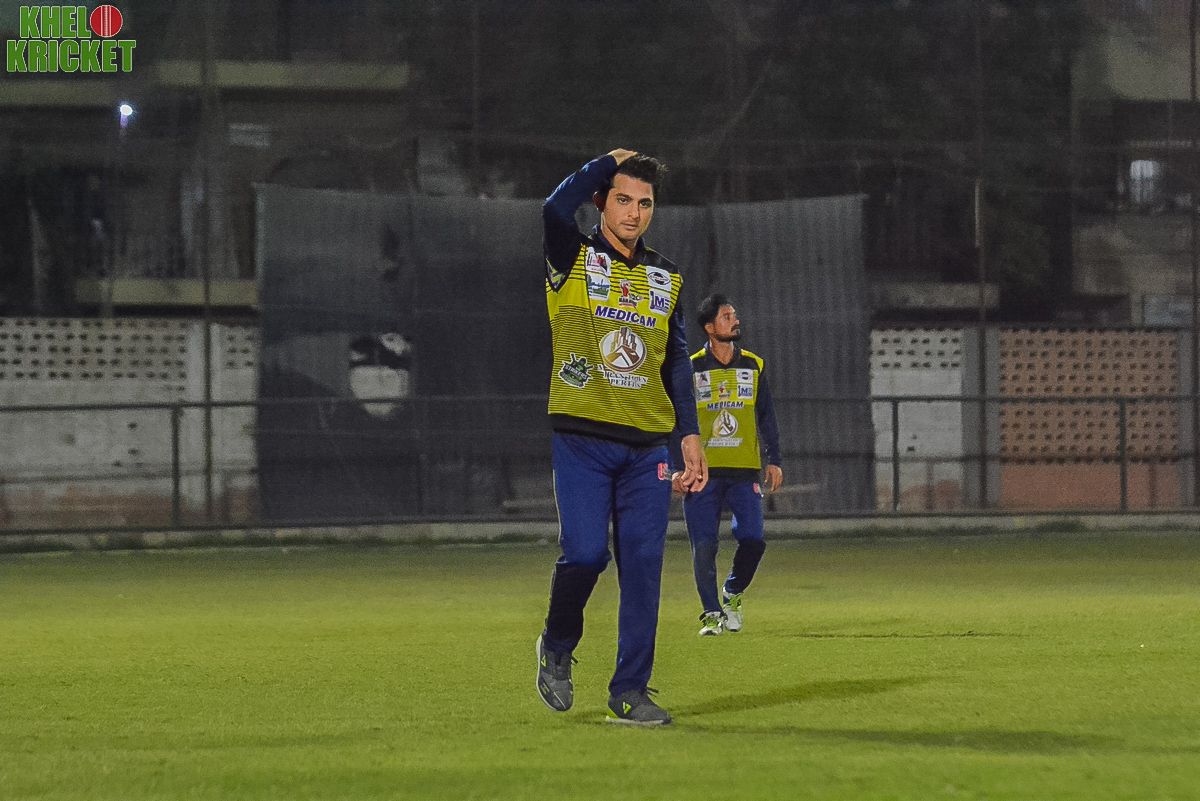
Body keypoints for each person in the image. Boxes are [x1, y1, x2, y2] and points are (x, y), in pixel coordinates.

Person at [535, 149, 708, 727]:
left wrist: (689, 435)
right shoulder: (571, 255)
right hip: (582, 438)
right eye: (623, 200)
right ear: (601, 203)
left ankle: (630, 690)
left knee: (643, 564)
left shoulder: (666, 275)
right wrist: (606, 160)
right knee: (586, 555)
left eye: (645, 203)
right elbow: (552, 208)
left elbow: (676, 361)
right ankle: (558, 643)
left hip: (647, 447)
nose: (634, 213)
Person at [673, 294, 782, 636]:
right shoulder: (691, 367)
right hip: (701, 474)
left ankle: (732, 592)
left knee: (753, 539)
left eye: (734, 315)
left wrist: (775, 459)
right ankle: (711, 614)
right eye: (726, 316)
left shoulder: (754, 364)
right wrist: (677, 466)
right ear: (709, 327)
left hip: (744, 470)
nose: (735, 321)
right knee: (704, 547)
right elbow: (675, 421)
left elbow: (766, 416)